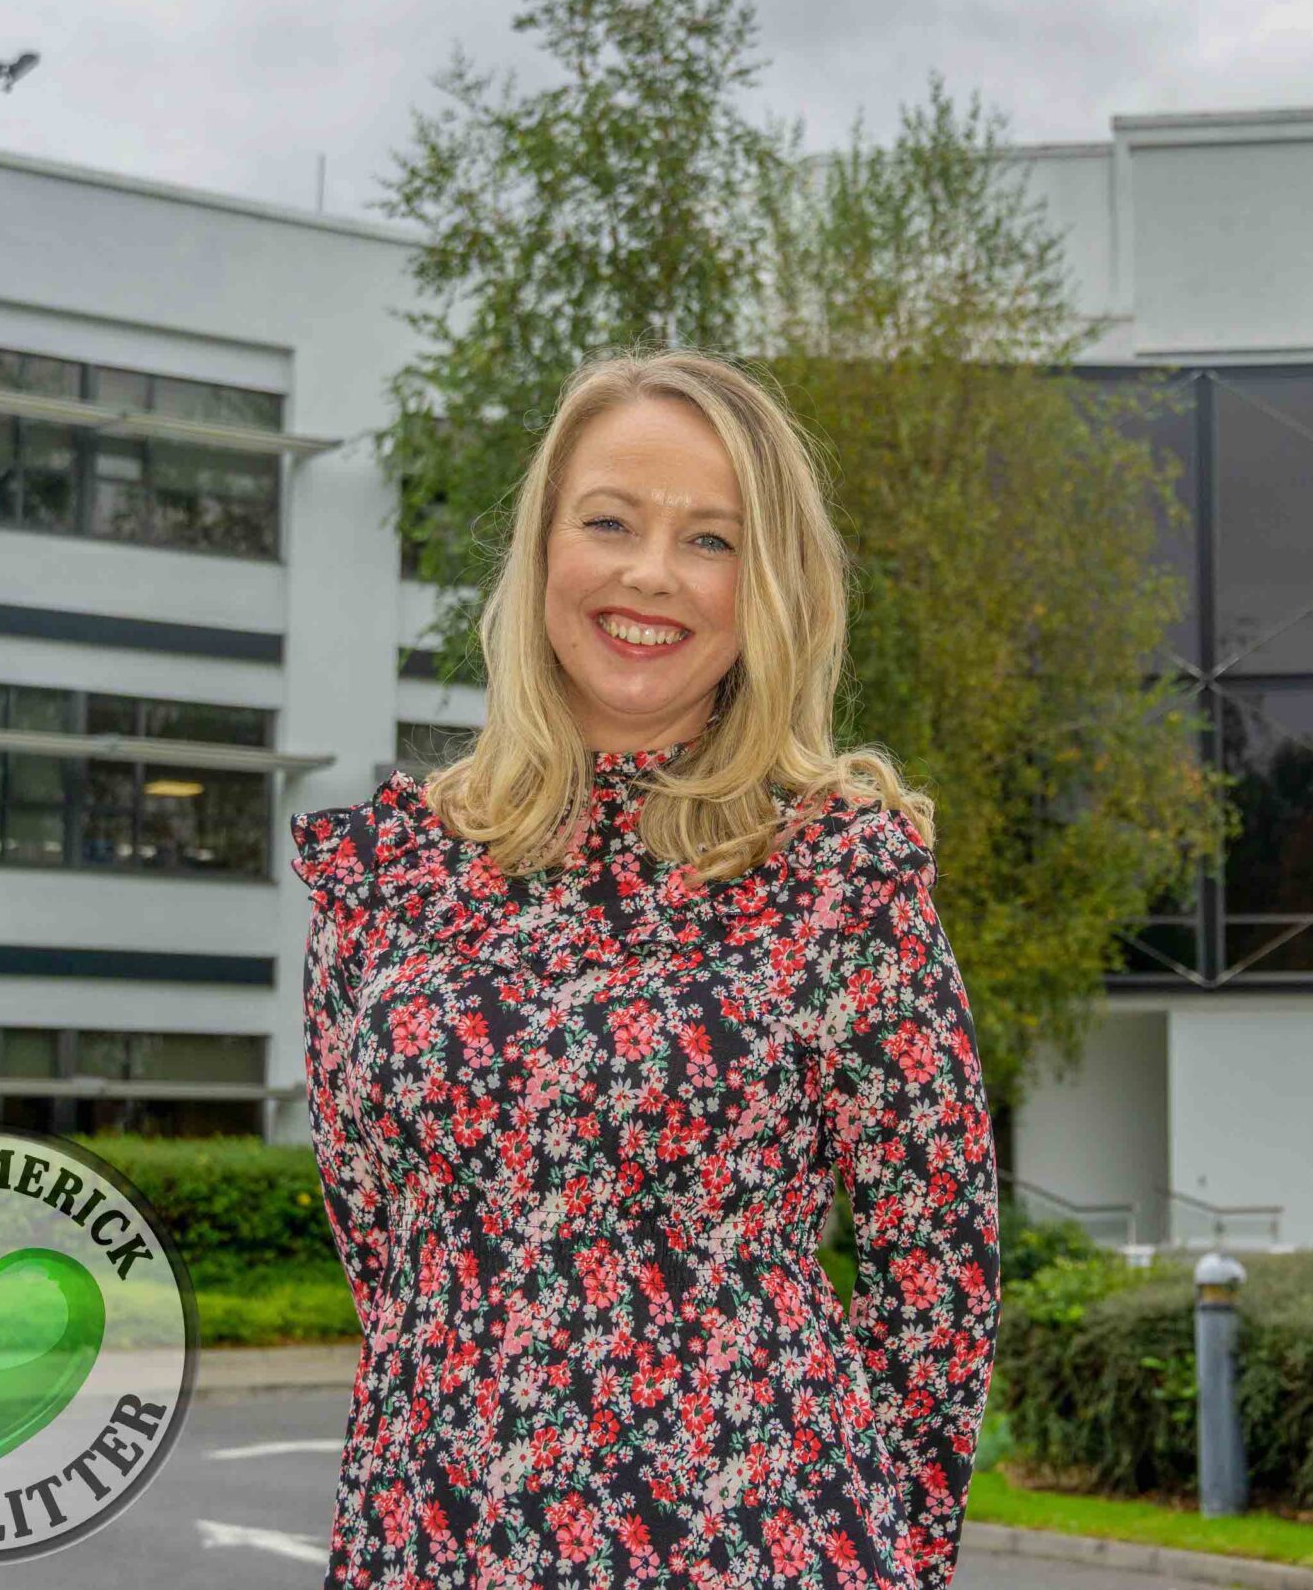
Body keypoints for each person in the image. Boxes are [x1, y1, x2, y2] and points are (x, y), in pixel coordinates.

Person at [287, 347, 1002, 1589]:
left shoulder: (840, 874)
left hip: (763, 1549)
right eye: (608, 521)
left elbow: (934, 1277)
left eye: (711, 540)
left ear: (768, 587)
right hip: (432, 1540)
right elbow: (381, 1244)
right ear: (542, 550)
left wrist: (895, 1554)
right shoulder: (391, 876)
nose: (649, 574)